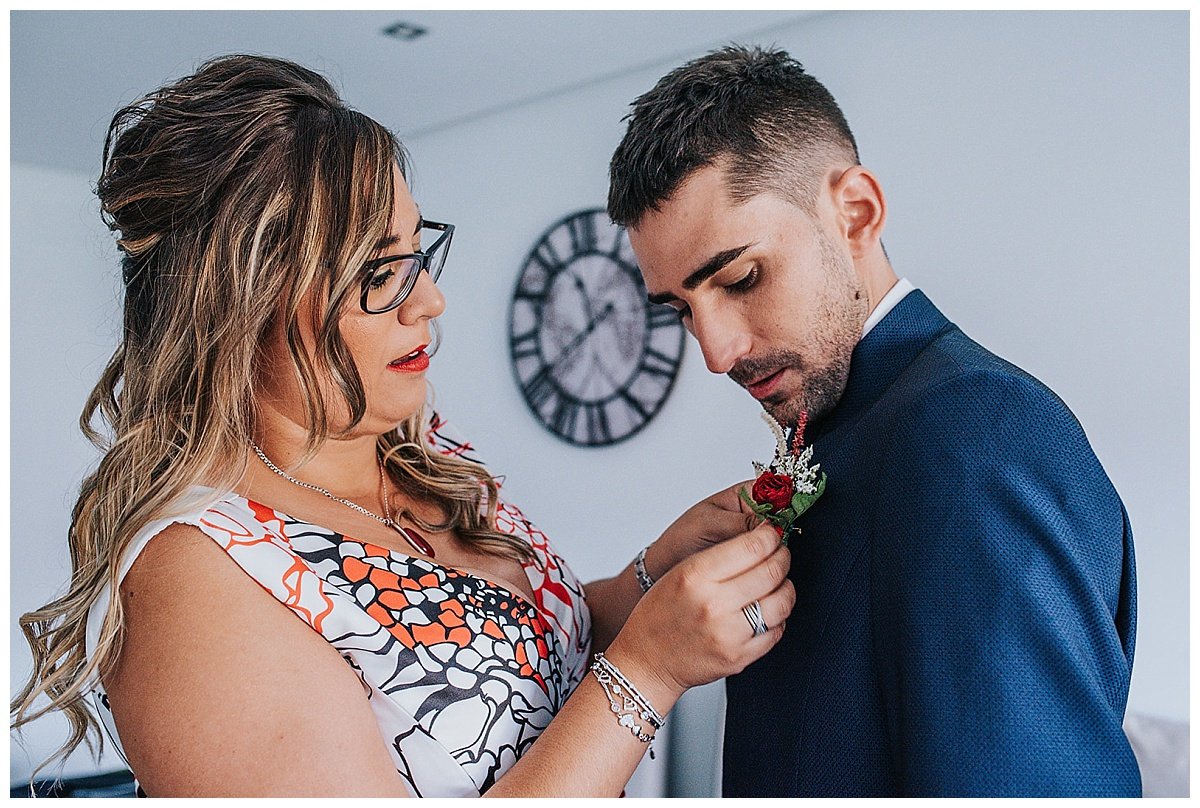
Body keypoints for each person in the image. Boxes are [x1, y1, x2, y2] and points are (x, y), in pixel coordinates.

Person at [10, 54, 796, 798]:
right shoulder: (197, 579)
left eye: (418, 254)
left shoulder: (421, 453)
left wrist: (650, 580)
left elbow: (509, 669)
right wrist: (649, 671)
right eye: (379, 274)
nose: (428, 301)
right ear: (241, 307)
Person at [607, 45, 1140, 797]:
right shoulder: (849, 419)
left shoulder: (975, 431)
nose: (717, 353)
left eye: (741, 278)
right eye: (682, 311)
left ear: (854, 213)